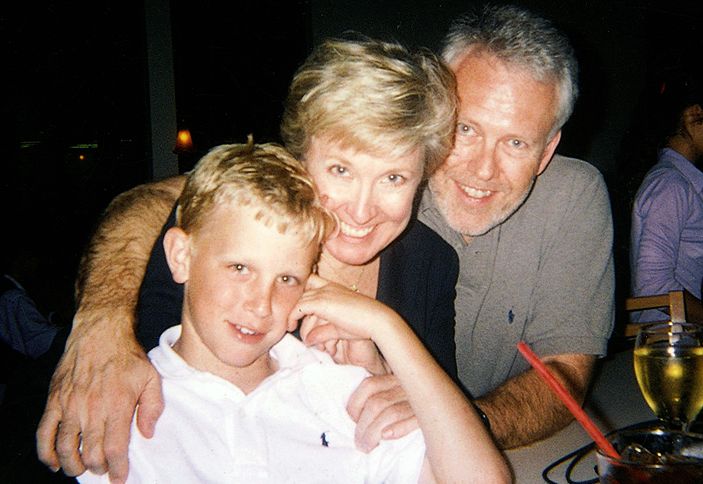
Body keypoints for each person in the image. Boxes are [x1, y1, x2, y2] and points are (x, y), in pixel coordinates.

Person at [38, 37, 460, 481]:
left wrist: (399, 383)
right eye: (340, 170)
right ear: (299, 160)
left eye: (393, 178)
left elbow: (442, 416)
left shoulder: (429, 265)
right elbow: (153, 202)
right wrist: (102, 324)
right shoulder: (230, 247)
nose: (360, 210)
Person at [75, 137, 508, 483]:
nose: (261, 305)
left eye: (287, 280)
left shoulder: (333, 387)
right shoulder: (122, 404)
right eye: (240, 268)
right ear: (182, 256)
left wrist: (386, 325)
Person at [415, 4, 615, 448]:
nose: (483, 170)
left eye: (516, 142)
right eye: (465, 129)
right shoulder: (375, 193)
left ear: (546, 152)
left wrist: (456, 429)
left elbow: (565, 372)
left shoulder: (572, 197)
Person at [629, 68, 703, 322]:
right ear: (695, 115)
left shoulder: (682, 183)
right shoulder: (671, 185)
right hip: (675, 348)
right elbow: (654, 286)